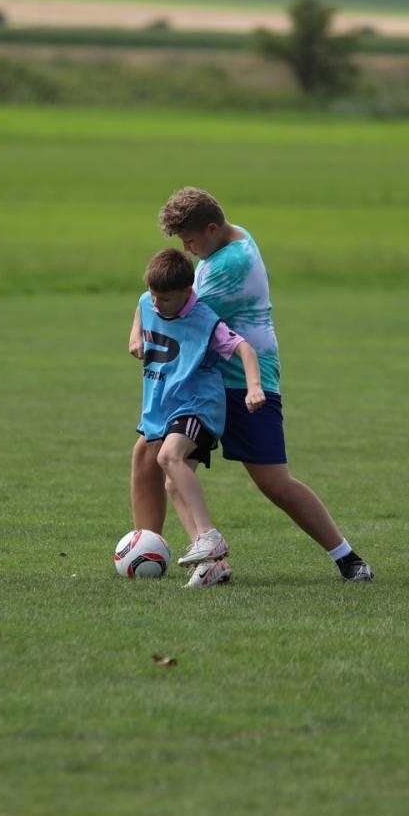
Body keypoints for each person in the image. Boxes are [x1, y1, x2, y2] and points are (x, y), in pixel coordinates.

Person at [128, 186, 374, 581]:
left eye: (189, 240)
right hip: (203, 381)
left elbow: (175, 309)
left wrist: (142, 320)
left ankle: (347, 557)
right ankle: (184, 559)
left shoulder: (232, 264)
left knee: (274, 482)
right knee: (163, 464)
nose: (188, 250)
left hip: (243, 383)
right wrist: (139, 322)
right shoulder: (228, 234)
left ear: (211, 228)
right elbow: (162, 300)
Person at [134, 248, 266, 587]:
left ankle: (209, 535)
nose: (156, 302)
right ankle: (212, 564)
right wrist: (135, 338)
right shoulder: (148, 302)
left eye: (164, 298)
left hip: (198, 405)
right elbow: (140, 312)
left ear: (187, 293)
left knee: (168, 457)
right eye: (153, 294)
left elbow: (245, 349)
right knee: (172, 484)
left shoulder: (205, 320)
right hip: (166, 406)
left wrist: (254, 387)